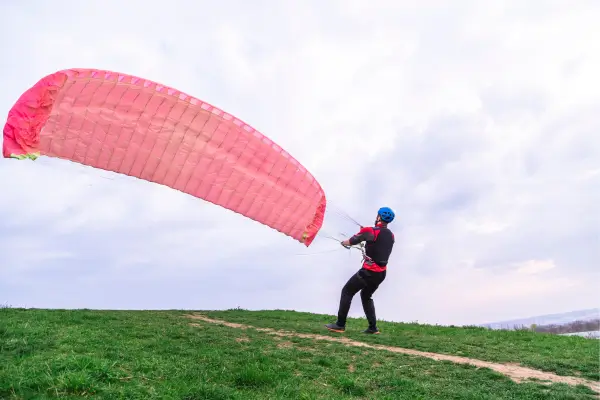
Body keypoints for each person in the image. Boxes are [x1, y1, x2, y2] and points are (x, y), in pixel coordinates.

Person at [325, 206, 395, 334]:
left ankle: (340, 325)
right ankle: (373, 328)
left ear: (379, 217)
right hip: (381, 274)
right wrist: (364, 233)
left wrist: (344, 242)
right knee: (366, 295)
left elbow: (352, 241)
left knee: (347, 291)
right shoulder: (391, 235)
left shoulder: (370, 231)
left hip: (368, 272)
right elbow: (376, 242)